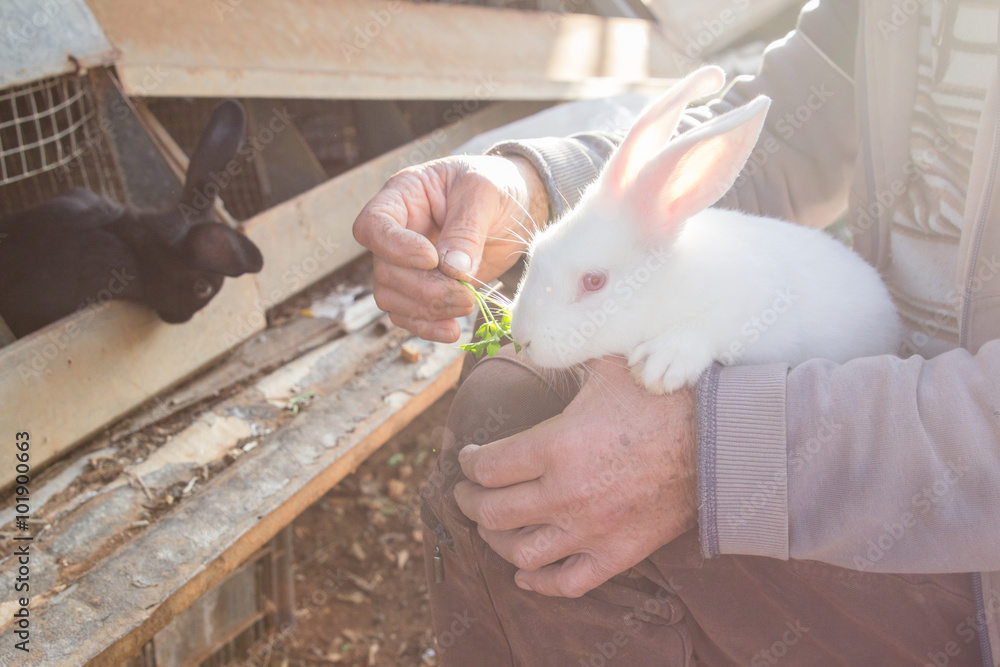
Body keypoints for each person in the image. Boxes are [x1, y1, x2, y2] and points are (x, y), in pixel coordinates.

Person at [353, 0, 1000, 663]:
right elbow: (785, 129)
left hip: (963, 539)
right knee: (509, 410)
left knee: (551, 468)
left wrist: (715, 452)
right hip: (860, 406)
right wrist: (529, 187)